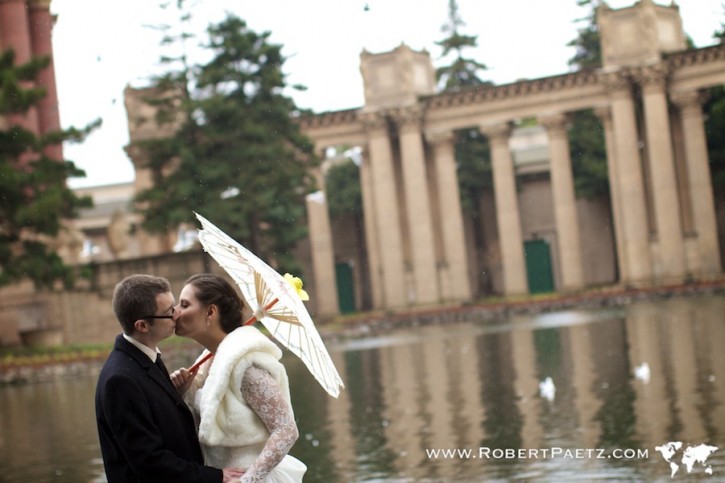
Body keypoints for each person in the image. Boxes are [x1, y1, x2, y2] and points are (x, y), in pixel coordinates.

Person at [95, 274, 243, 483]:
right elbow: (150, 462)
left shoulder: (146, 357)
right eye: (168, 313)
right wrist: (217, 477)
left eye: (175, 306)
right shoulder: (120, 380)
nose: (177, 315)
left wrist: (177, 395)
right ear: (142, 326)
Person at [170, 273, 306, 483]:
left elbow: (286, 430)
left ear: (211, 312)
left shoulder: (246, 365)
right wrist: (181, 393)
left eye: (184, 305)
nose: (175, 313)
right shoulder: (208, 361)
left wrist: (248, 480)